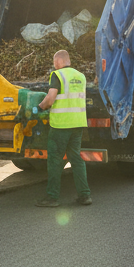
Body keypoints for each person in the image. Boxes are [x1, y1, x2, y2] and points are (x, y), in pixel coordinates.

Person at [34, 49, 91, 207]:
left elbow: (50, 99)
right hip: (77, 124)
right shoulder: (81, 76)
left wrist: (40, 107)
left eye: (54, 62)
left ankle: (52, 198)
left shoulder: (57, 75)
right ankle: (85, 196)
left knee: (55, 161)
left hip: (60, 126)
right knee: (76, 160)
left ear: (57, 61)